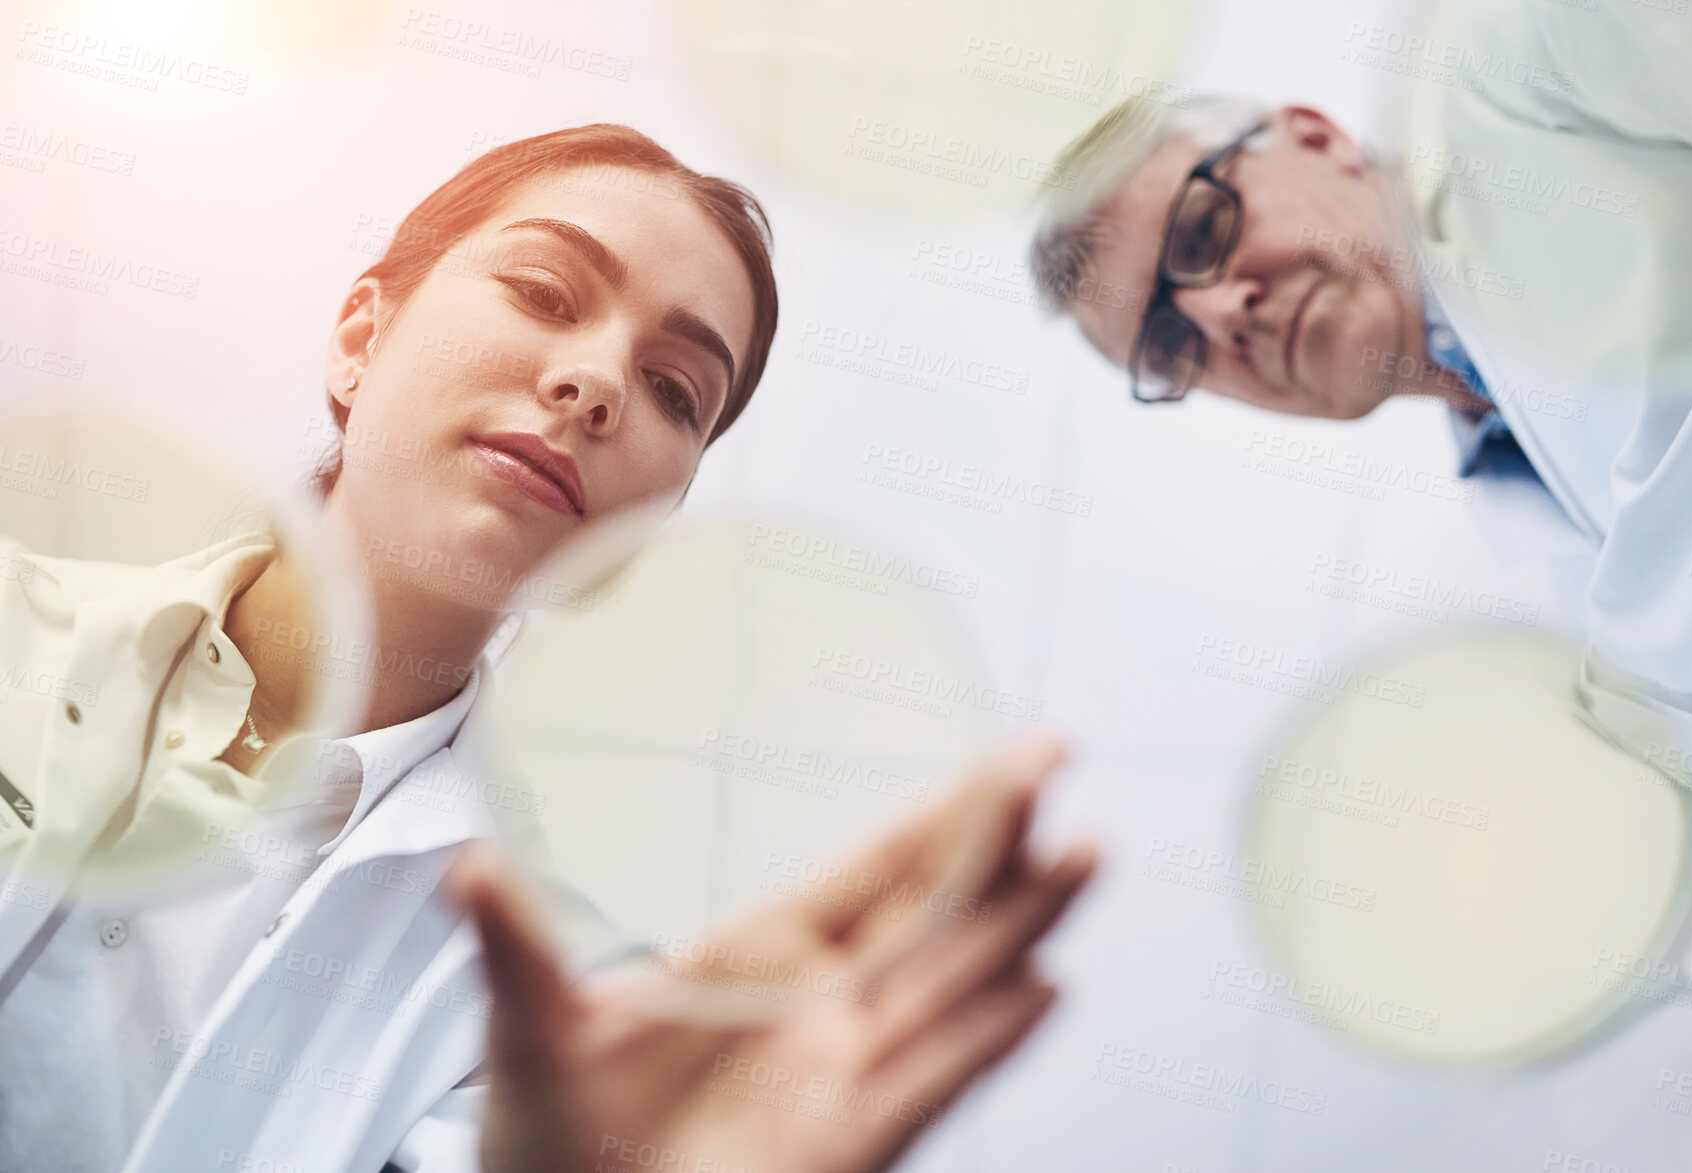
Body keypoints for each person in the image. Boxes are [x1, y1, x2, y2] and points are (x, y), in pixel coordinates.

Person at [0, 124, 1097, 1173]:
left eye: (676, 392)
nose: (598, 383)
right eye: (542, 293)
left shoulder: (548, 1019)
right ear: (359, 339)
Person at [1027, 0, 1692, 780]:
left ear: (1318, 138)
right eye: (1170, 343)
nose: (1220, 314)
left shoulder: (1522, 73)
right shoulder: (1521, 516)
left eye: (1200, 234)